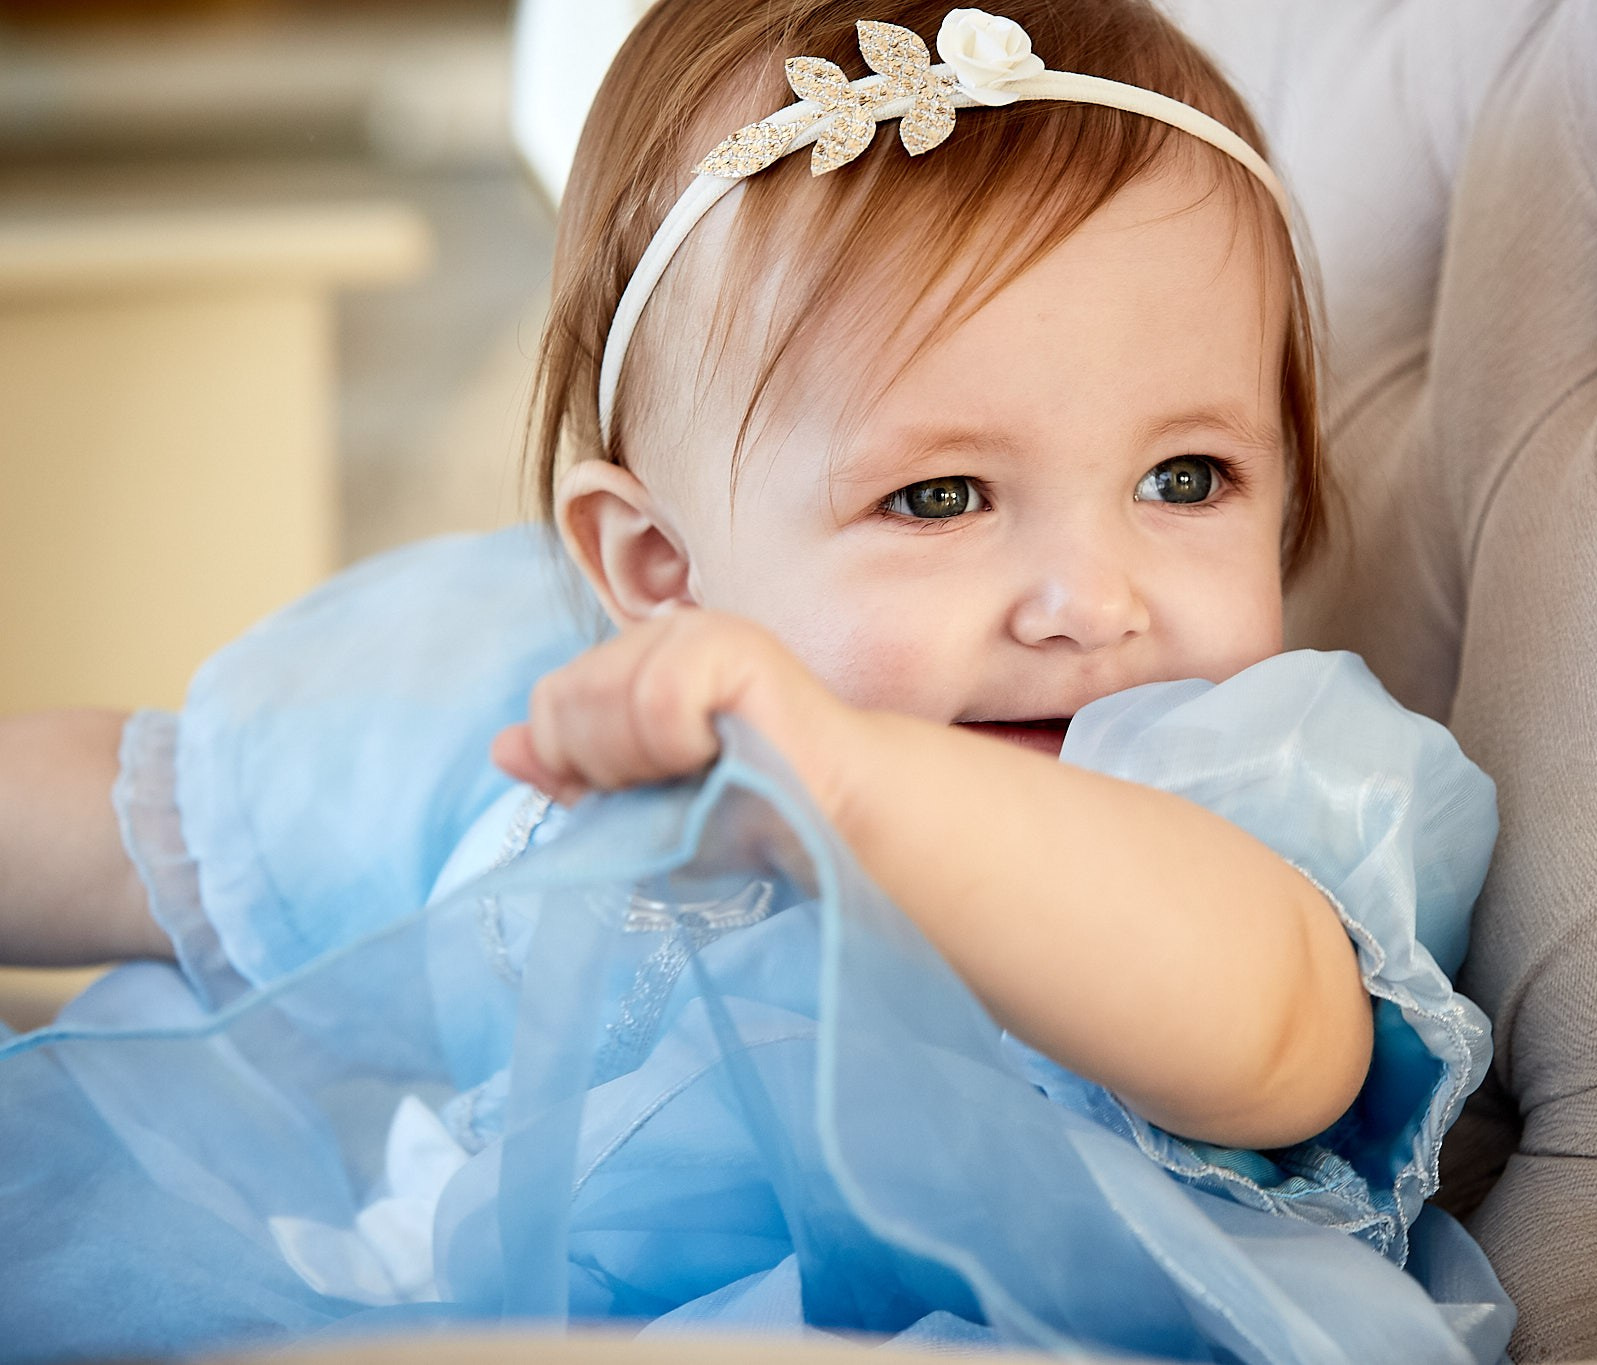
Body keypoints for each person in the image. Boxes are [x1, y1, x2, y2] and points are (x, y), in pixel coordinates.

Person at [0, 4, 1510, 1361]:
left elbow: (1276, 1039)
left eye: (1188, 476)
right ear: (660, 572)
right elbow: (136, 822)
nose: (1090, 602)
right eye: (941, 497)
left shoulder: (1238, 778)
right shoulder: (573, 718)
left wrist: (861, 785)